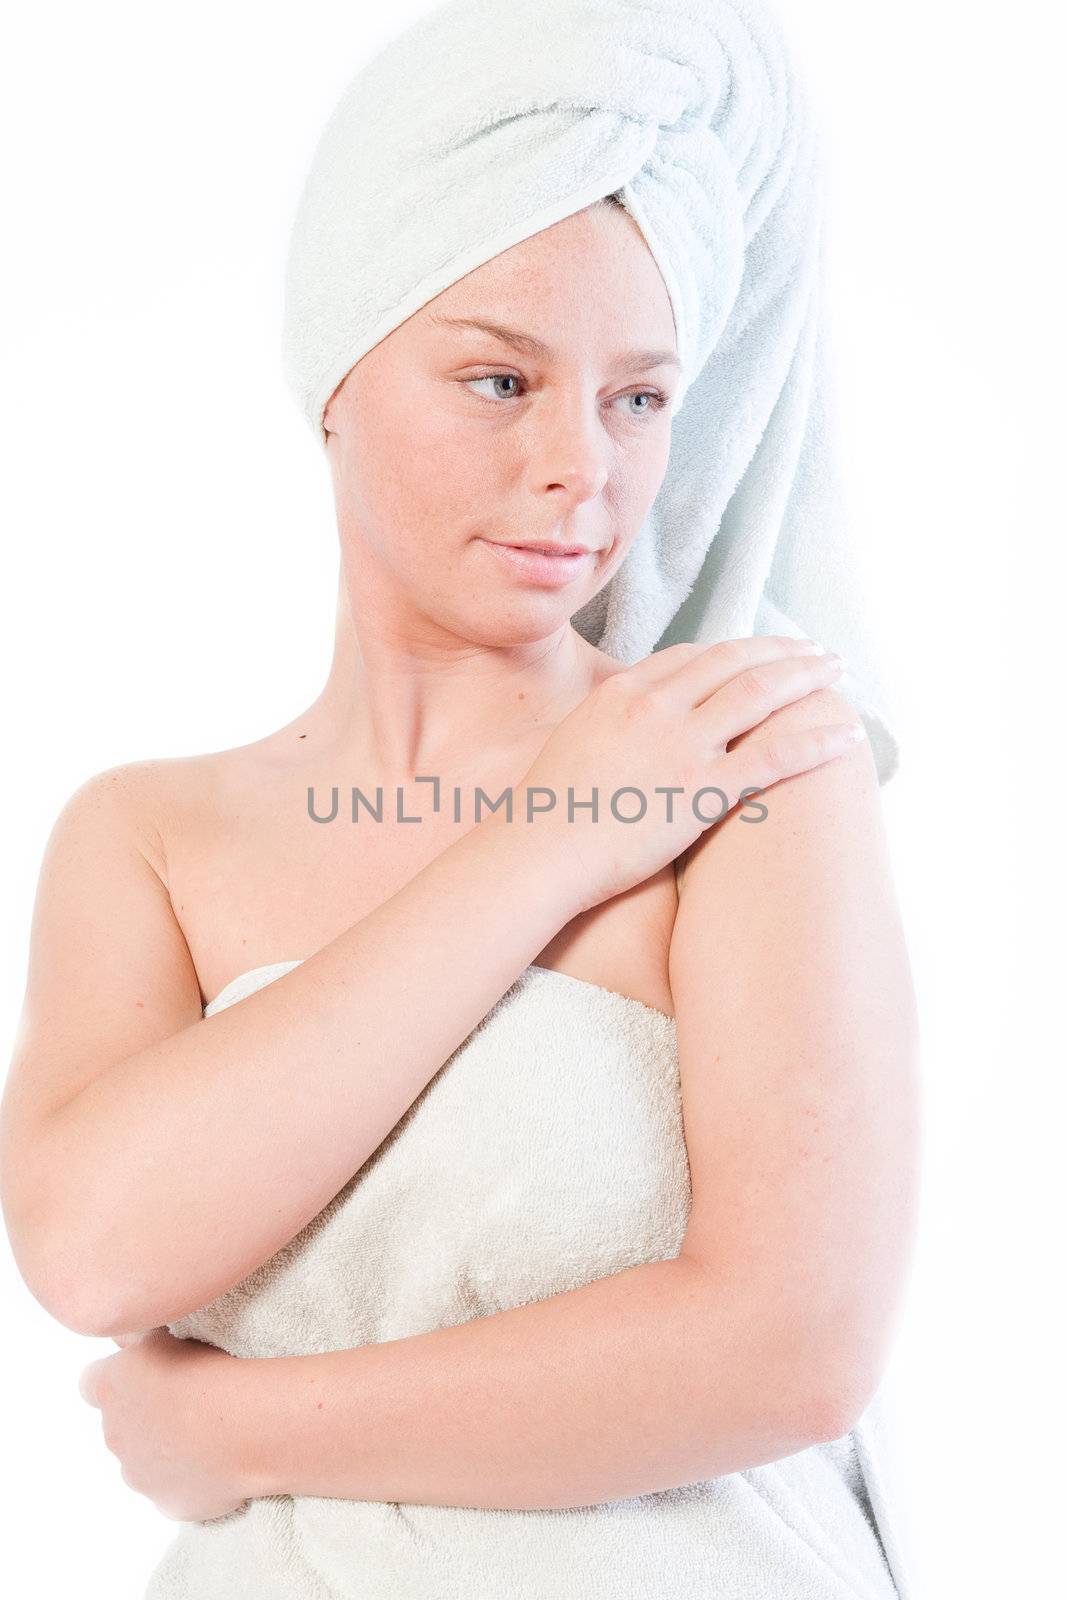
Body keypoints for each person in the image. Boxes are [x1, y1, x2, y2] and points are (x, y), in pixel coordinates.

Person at [1, 3, 920, 1596]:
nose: (584, 465)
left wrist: (249, 1432)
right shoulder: (147, 838)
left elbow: (789, 1352)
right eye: (501, 381)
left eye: (640, 397)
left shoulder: (752, 763)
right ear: (339, 372)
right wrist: (554, 841)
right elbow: (94, 1247)